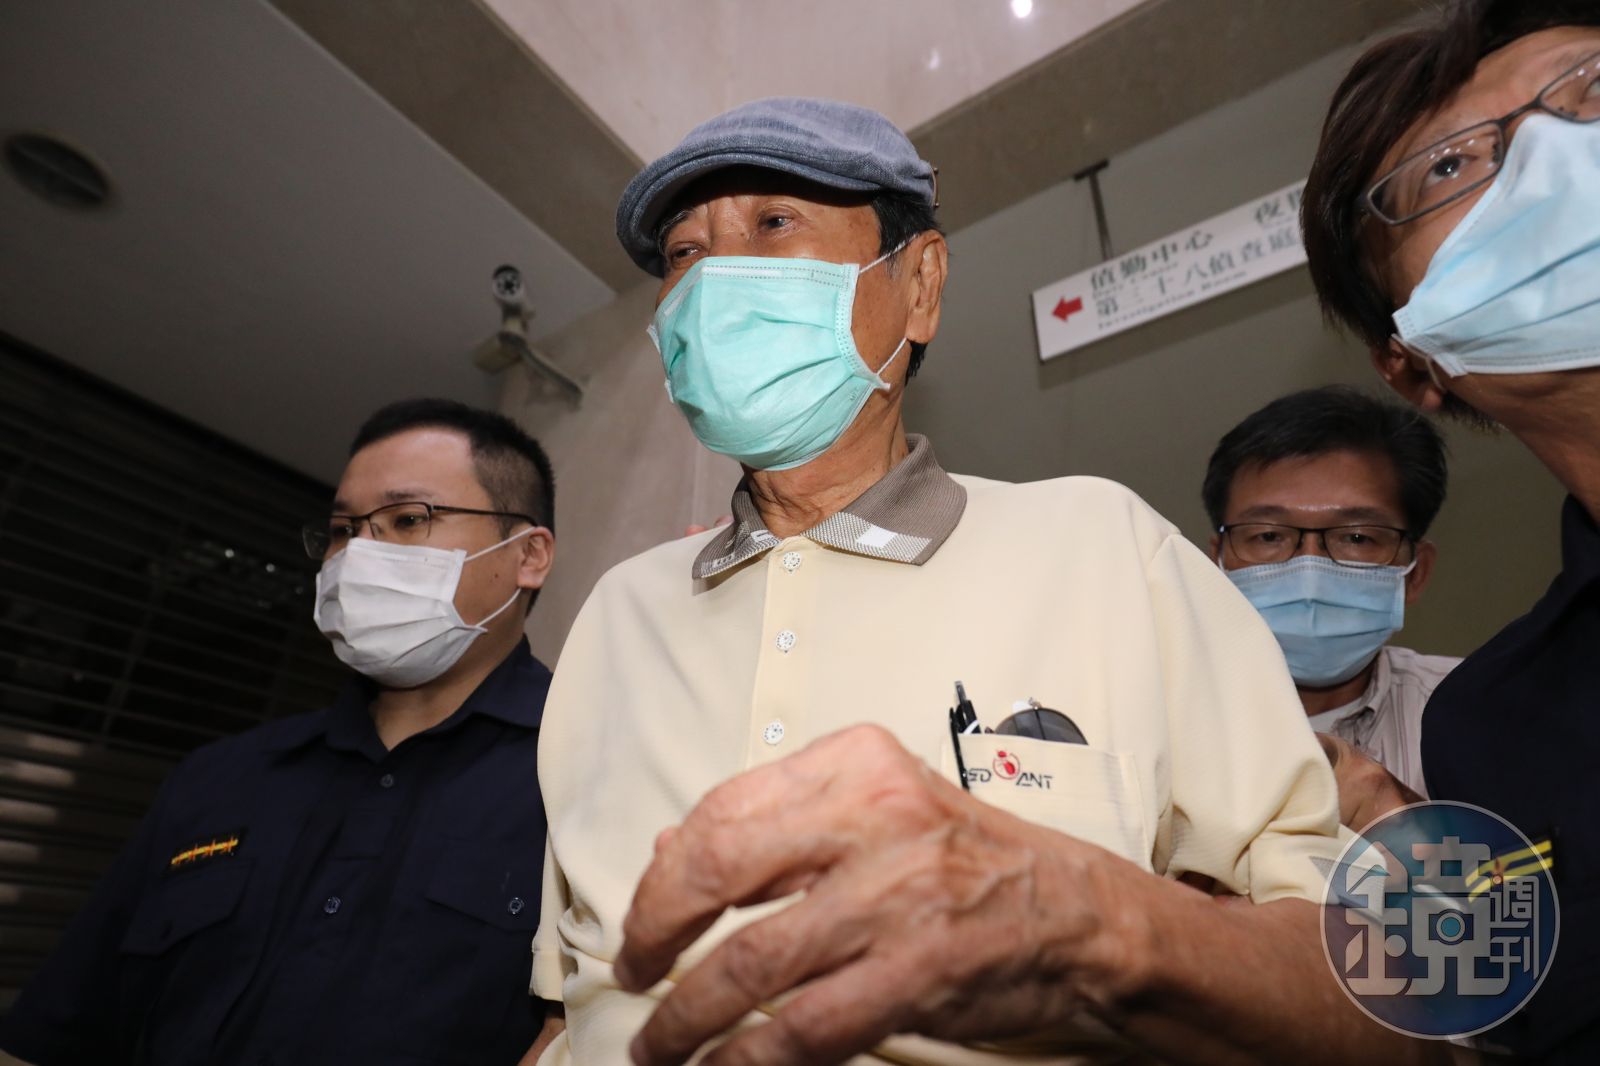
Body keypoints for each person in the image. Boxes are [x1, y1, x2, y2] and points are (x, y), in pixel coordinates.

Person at [530, 98, 1438, 1065]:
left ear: (920, 284)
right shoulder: (618, 612)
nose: (716, 280)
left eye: (774, 223)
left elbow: (1368, 980)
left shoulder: (1105, 551)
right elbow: (564, 1006)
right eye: (684, 254)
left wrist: (1098, 918)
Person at [0, 399, 558, 1066]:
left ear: (528, 556)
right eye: (343, 530)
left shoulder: (589, 772)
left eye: (409, 519)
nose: (357, 554)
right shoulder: (219, 777)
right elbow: (59, 1028)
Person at [1299, 0, 1600, 1057]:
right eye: (1449, 166)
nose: (1551, 155)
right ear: (1412, 364)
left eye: (1590, 88)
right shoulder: (1492, 726)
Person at [1202, 385, 1458, 805]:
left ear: (1415, 574)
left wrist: (1405, 820)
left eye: (1356, 537)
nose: (1310, 570)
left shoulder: (1485, 714)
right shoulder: (1141, 723)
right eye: (1268, 536)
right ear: (1216, 565)